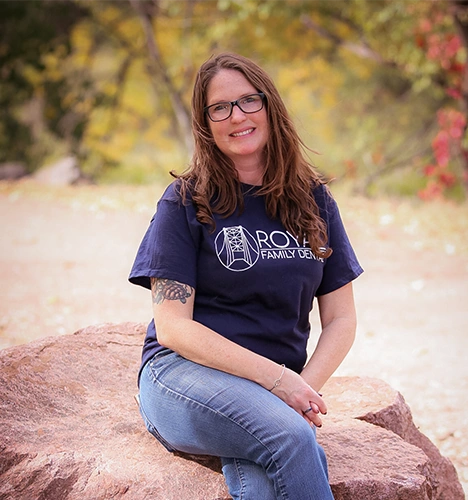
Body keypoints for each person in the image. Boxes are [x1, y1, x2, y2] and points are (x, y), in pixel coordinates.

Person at [129, 52, 363, 500]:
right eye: (220, 108)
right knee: (293, 437)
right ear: (205, 123)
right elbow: (173, 327)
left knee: (265, 478)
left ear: (269, 106)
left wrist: (301, 389)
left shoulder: (313, 201)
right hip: (182, 378)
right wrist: (277, 384)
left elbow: (341, 319)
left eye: (248, 101)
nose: (237, 116)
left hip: (268, 396)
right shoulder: (184, 202)